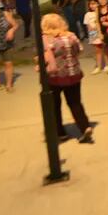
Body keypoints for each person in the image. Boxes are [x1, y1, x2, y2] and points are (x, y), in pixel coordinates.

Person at [40, 13, 93, 143]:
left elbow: (43, 57)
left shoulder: (46, 39)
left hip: (54, 76)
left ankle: (60, 132)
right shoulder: (71, 36)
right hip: (73, 73)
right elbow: (79, 50)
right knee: (75, 103)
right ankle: (84, 126)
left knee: (55, 106)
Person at [83, 0, 107, 74]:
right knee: (97, 50)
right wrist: (93, 34)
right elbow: (88, 26)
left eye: (94, 3)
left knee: (106, 49)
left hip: (102, 32)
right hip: (93, 33)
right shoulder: (87, 14)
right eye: (91, 4)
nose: (93, 5)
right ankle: (99, 66)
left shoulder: (101, 12)